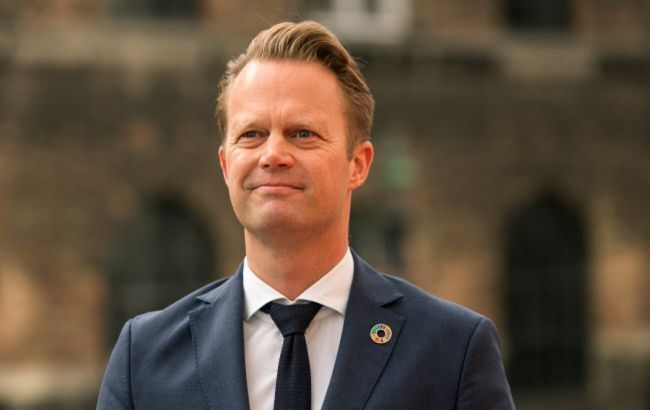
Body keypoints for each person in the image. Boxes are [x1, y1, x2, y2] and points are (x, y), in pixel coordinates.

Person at [98, 21, 515, 410]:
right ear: (226, 166)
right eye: (252, 134)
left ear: (358, 164)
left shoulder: (453, 350)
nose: (273, 155)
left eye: (302, 134)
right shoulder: (143, 358)